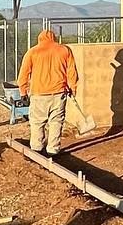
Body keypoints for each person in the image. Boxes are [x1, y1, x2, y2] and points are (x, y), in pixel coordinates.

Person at [16, 28, 79, 157]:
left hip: (38, 94)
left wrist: (23, 92)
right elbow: (72, 73)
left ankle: (37, 149)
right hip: (59, 93)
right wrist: (73, 89)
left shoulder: (32, 52)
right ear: (54, 38)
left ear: (39, 39)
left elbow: (23, 74)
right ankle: (53, 150)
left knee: (37, 122)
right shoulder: (64, 50)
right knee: (56, 122)